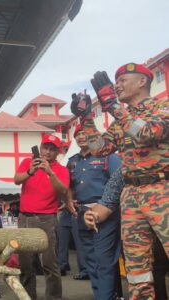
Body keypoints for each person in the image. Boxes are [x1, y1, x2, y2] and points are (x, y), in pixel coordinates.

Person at [71, 63, 168, 299]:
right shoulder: (121, 120)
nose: (117, 86)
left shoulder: (162, 107)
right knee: (137, 268)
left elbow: (148, 133)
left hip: (162, 190)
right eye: (116, 82)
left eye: (123, 80)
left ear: (142, 82)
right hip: (131, 195)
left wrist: (113, 106)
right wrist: (85, 119)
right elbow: (99, 148)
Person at [84, 169, 168, 300]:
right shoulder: (126, 169)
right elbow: (107, 202)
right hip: (139, 241)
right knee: (144, 278)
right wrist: (93, 215)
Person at [66, 124, 122, 299]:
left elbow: (119, 182)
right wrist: (69, 200)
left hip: (104, 214)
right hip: (81, 213)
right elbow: (70, 185)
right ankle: (101, 295)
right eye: (78, 134)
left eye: (85, 134)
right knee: (89, 260)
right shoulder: (73, 161)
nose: (81, 137)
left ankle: (107, 296)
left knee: (104, 260)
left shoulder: (108, 156)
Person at [14, 134, 69, 300]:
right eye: (45, 147)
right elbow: (16, 180)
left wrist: (50, 173)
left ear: (58, 152)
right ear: (40, 147)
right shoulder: (27, 162)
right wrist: (31, 171)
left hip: (47, 219)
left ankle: (53, 297)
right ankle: (27, 297)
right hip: (25, 217)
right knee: (25, 264)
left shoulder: (61, 169)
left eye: (52, 149)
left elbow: (63, 191)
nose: (48, 152)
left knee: (49, 263)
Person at [57, 197, 87, 278]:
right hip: (65, 213)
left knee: (79, 243)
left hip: (77, 210)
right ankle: (62, 266)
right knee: (61, 242)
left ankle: (84, 270)